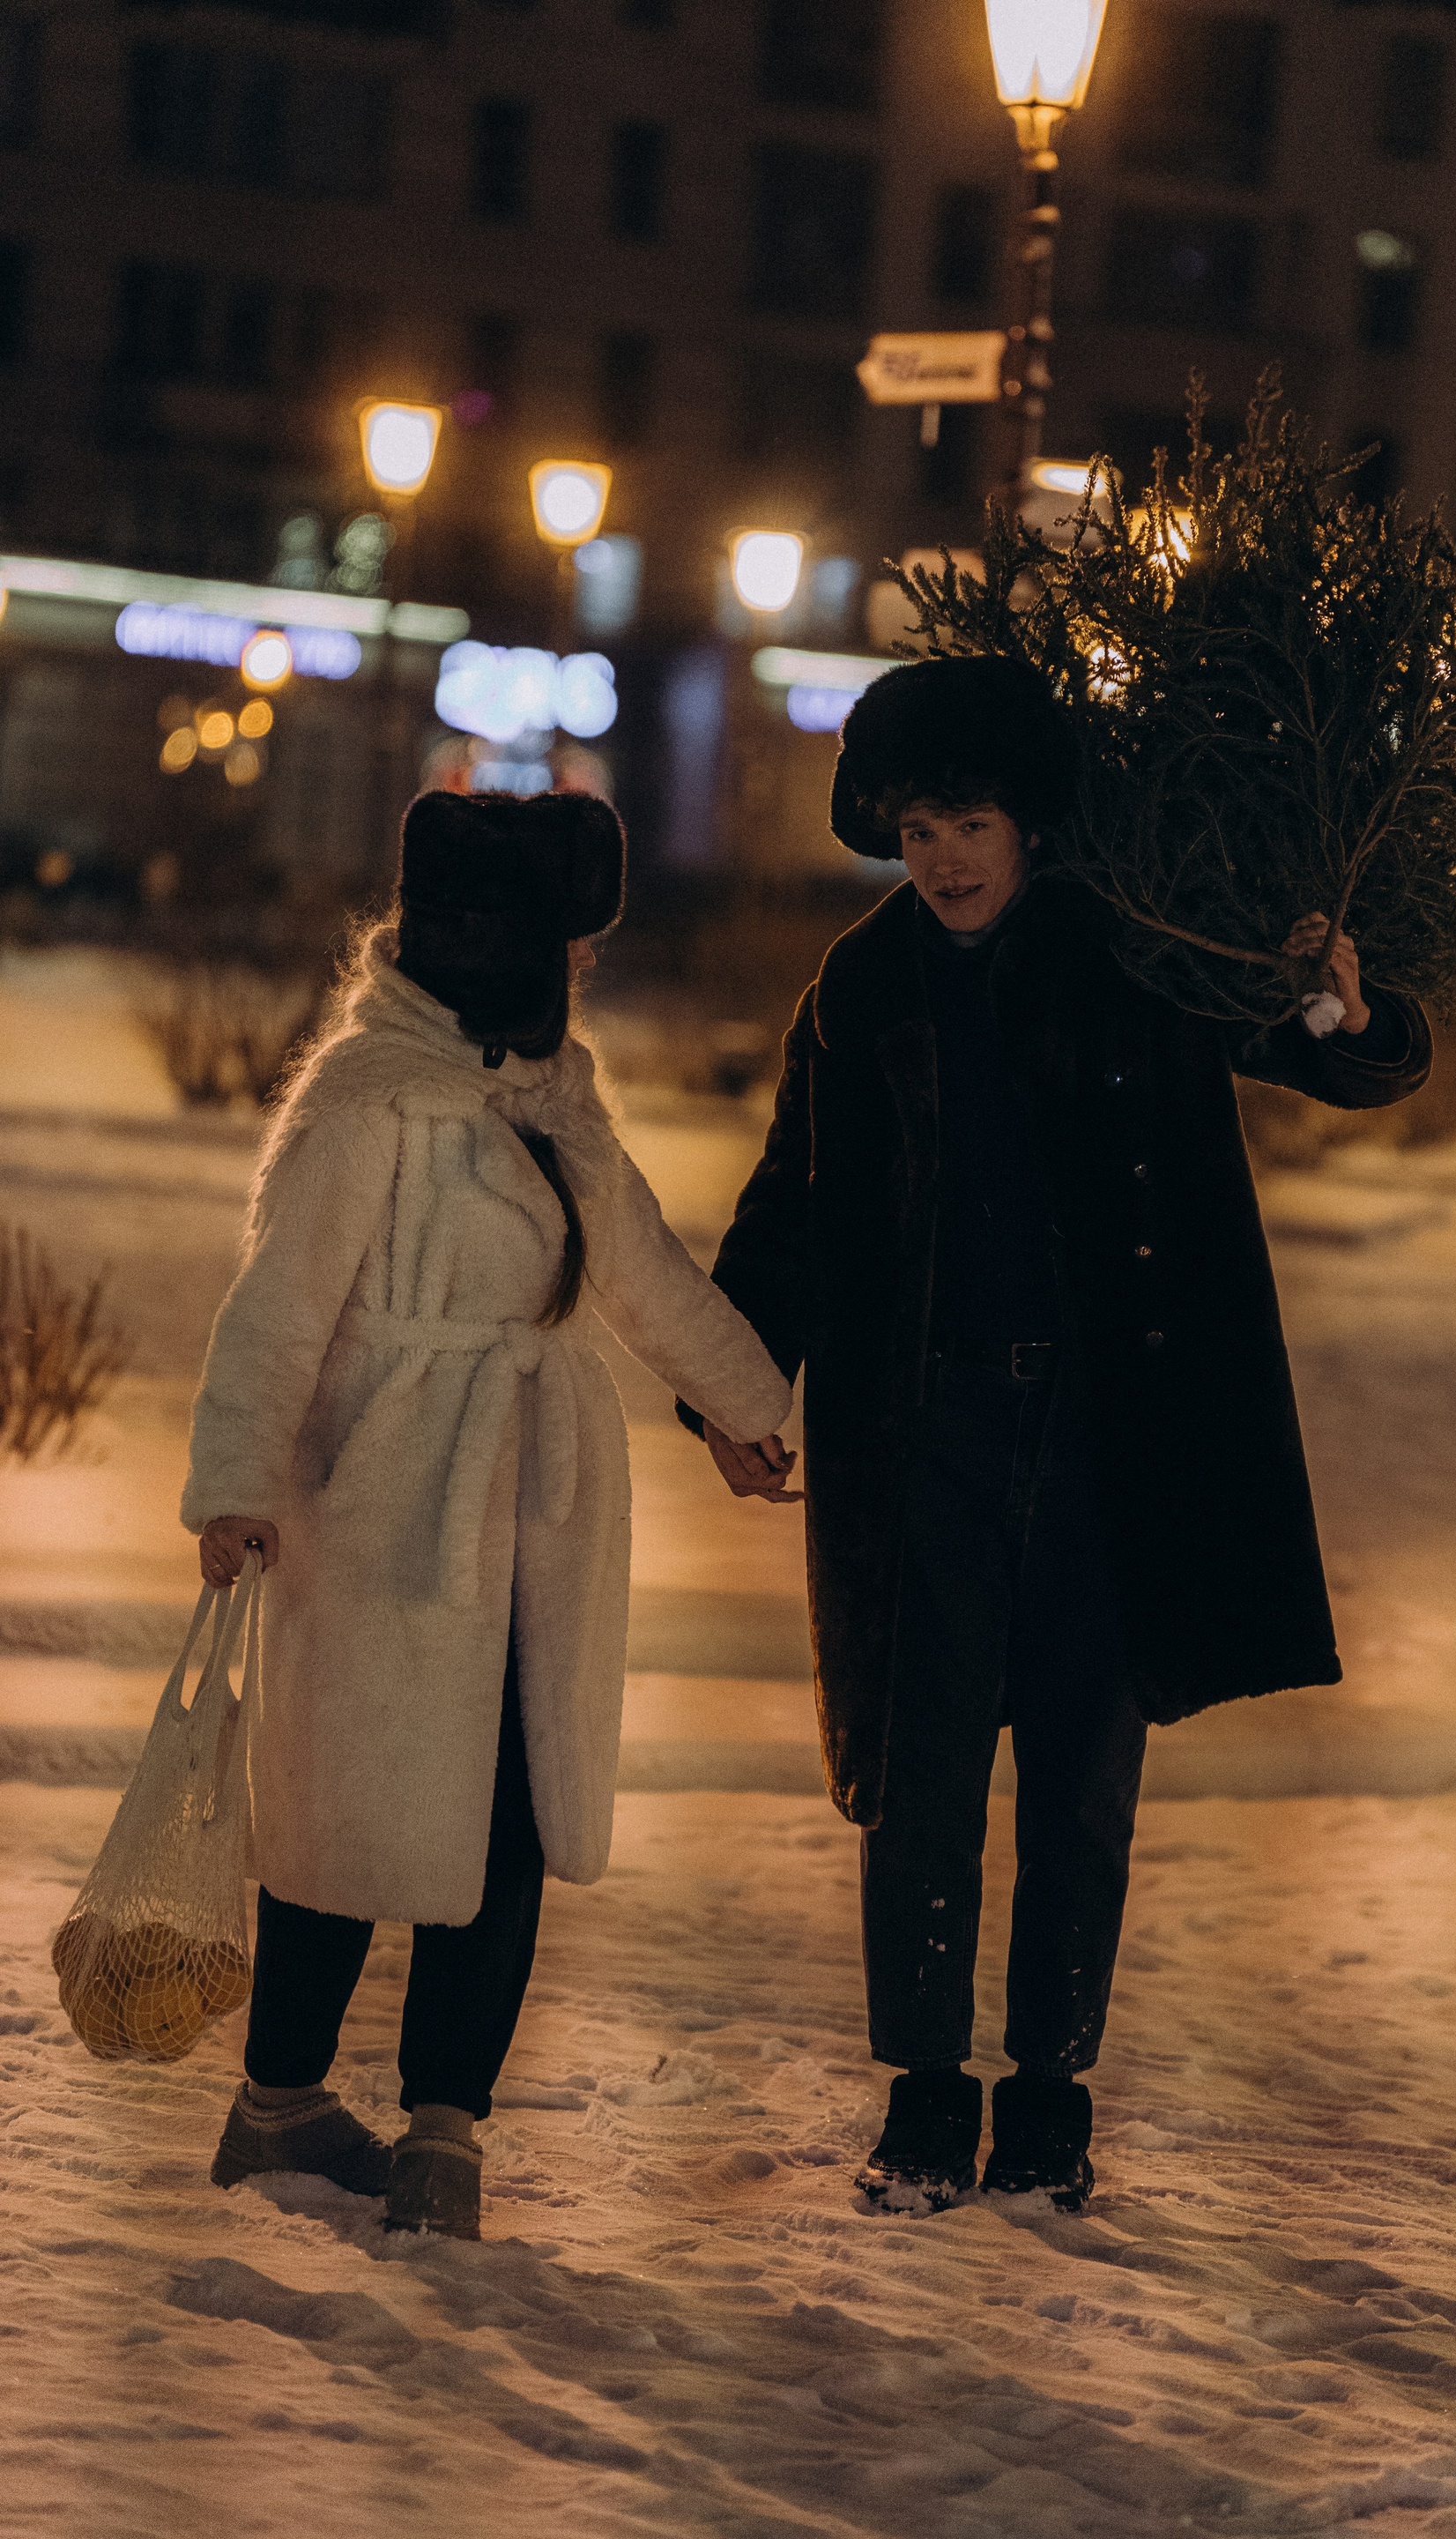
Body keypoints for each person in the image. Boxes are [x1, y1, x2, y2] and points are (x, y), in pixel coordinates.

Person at [680, 653, 1431, 2214]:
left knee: (1084, 1778)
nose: (943, 859)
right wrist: (733, 1390)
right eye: (915, 831)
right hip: (924, 1435)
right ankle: (924, 2096)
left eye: (969, 824)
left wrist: (1348, 1008)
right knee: (923, 1772)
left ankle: (1048, 2100)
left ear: (1029, 822)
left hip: (1105, 1437)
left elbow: (1314, 1041)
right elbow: (792, 1205)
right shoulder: (863, 986)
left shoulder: (1131, 951)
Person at [185, 787, 793, 2240]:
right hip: (383, 1498)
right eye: (568, 940)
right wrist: (236, 1488)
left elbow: (640, 1269)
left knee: (511, 1810)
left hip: (535, 1515)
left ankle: (444, 2130)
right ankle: (278, 2097)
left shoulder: (549, 1093)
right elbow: (277, 1309)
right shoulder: (369, 1096)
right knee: (346, 1814)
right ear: (503, 939)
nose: (586, 964)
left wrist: (746, 1404)